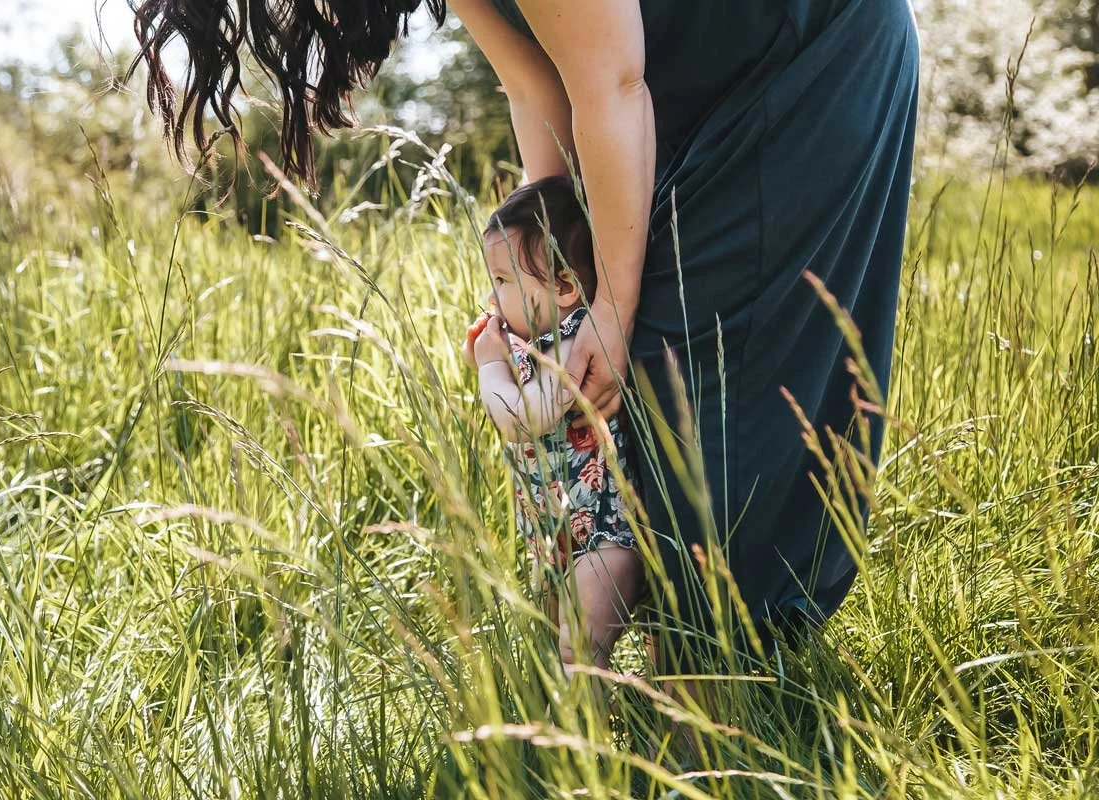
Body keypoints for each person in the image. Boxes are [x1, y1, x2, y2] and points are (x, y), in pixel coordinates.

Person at [129, 0, 920, 672]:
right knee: (637, 386)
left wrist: (609, 315)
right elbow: (534, 81)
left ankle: (719, 709)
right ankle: (655, 699)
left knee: (704, 372)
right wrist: (544, 269)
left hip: (804, 60)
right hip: (674, 85)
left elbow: (609, 80)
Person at [463, 176, 643, 674]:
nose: (492, 295)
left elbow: (525, 418)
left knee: (578, 652)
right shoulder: (534, 342)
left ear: (564, 287)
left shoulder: (572, 340)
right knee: (553, 651)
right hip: (554, 533)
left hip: (603, 536)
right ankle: (576, 735)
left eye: (504, 281)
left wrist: (490, 368)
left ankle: (586, 748)